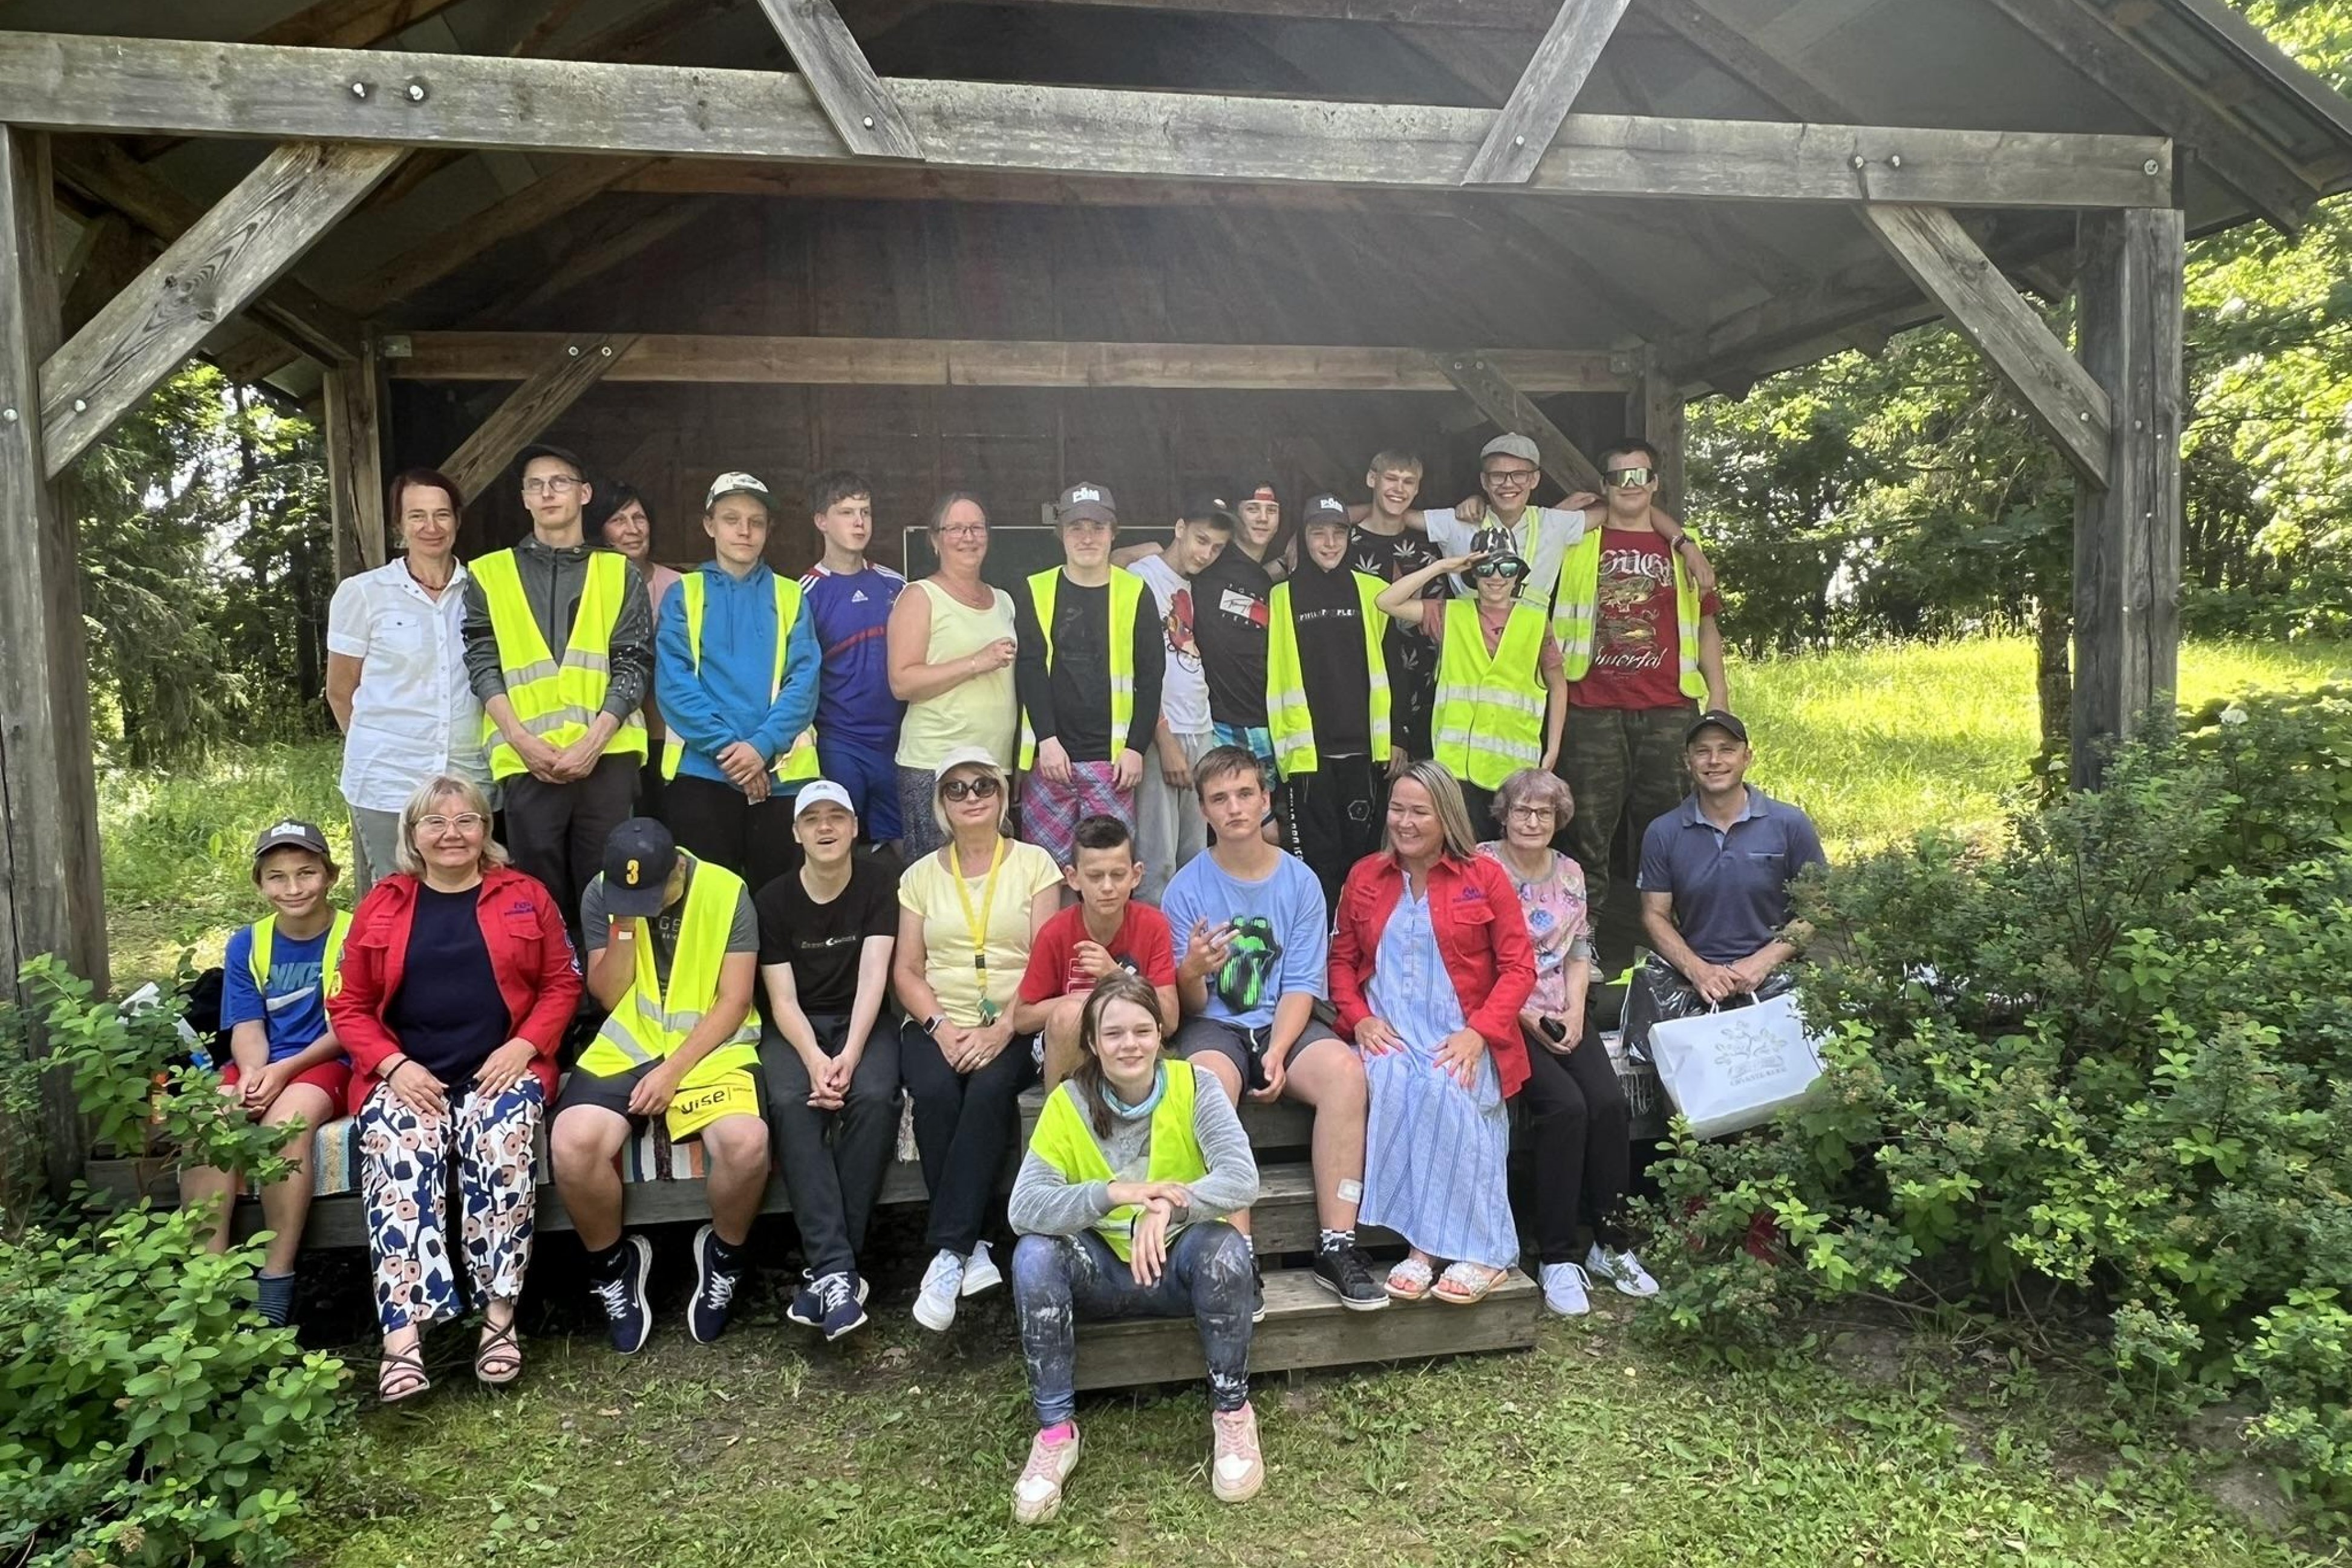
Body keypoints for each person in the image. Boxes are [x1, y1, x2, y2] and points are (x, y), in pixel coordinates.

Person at [329, 774, 580, 1402]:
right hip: (409, 1075)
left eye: (466, 820)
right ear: (412, 835)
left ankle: (498, 1318)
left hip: (501, 1068)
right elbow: (349, 1005)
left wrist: (525, 1047)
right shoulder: (383, 904)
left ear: (485, 830)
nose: (451, 834)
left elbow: (562, 984)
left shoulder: (524, 895)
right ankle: (403, 1338)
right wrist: (392, 1066)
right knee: (398, 1150)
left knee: (501, 1146)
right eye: (435, 822)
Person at [1007, 972, 1264, 1524]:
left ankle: (1232, 1413)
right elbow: (1024, 1208)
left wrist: (1169, 1205)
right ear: (1093, 1042)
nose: (1130, 1045)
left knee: (1227, 1249)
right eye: (1114, 1033)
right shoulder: (1068, 1103)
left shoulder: (1195, 1086)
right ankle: (1055, 1433)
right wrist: (1112, 1194)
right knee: (1034, 1253)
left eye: (1142, 1031)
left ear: (1160, 1035)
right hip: (1099, 1271)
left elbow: (1242, 1179)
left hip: (1177, 1264)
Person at [1158, 745, 1385, 1312]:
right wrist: (1192, 970)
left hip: (1286, 1018)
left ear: (1265, 800)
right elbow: (1190, 1005)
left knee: (1346, 1073)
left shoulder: (1300, 882)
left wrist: (1279, 1052)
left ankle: (1337, 1243)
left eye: (1245, 794)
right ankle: (1239, 1252)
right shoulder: (1185, 889)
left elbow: (1302, 983)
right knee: (1207, 1083)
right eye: (1219, 799)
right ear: (1204, 810)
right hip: (1216, 1024)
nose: (1234, 808)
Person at [552, 817, 768, 1354]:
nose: (644, 905)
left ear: (677, 868)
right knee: (572, 1144)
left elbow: (735, 1001)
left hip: (712, 1045)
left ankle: (724, 1255)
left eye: (652, 894)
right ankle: (614, 1265)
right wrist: (624, 921)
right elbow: (609, 995)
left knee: (746, 1144)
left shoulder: (726, 891)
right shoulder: (606, 891)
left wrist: (672, 1073)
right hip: (631, 1041)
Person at [1330, 760, 1534, 1305]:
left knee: (1450, 1086)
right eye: (1397, 809)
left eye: (1419, 812)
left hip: (1462, 1031)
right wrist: (1360, 1018)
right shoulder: (1365, 876)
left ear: (1446, 817)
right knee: (1395, 1084)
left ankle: (1485, 1252)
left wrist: (1478, 1033)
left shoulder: (1484, 877)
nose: (1405, 822)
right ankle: (1426, 1248)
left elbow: (1519, 968)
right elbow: (1341, 961)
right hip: (1390, 1029)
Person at [892, 746, 1064, 1331]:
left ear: (1003, 795)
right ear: (941, 803)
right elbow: (906, 972)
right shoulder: (918, 876)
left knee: (990, 1091)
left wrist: (1001, 1028)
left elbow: (1045, 961)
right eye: (956, 789)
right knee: (936, 1092)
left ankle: (949, 1251)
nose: (971, 798)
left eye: (983, 786)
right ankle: (974, 1247)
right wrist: (942, 1030)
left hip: (1016, 1020)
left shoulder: (1036, 864)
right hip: (937, 1022)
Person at [1477, 767, 1656, 1318]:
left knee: (1608, 1103)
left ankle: (1610, 1242)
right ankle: (1556, 1255)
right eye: (1522, 810)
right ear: (1503, 815)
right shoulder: (1480, 867)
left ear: (1559, 820)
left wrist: (1576, 1013)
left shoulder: (1571, 872)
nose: (1532, 821)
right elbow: (1473, 958)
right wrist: (1528, 1015)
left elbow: (1579, 951)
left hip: (1563, 1009)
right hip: (1504, 1011)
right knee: (1564, 1108)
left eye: (1544, 813)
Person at [462, 442, 653, 951]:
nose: (548, 493)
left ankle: (607, 993)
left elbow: (634, 663)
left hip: (606, 758)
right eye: (536, 485)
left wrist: (592, 742)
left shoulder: (620, 572)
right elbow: (482, 664)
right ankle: (551, 994)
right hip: (528, 761)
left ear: (584, 494)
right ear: (524, 498)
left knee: (609, 892)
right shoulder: (488, 574)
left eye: (560, 482)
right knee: (535, 897)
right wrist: (521, 740)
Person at [1555, 439, 1731, 939]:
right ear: (1604, 485)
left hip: (1668, 709)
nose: (1629, 486)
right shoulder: (1576, 540)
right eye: (1619, 477)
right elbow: (1522, 538)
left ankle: (1667, 939)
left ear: (1655, 482)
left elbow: (1706, 626)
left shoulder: (1685, 551)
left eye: (1639, 476)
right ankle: (1582, 939)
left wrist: (1719, 699)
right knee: (1585, 831)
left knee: (1671, 829)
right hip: (1590, 707)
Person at [178, 820, 353, 1327]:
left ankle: (276, 1277)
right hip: (262, 1059)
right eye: (277, 877)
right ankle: (208, 1280)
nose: (293, 888)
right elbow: (247, 1024)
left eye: (306, 873)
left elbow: (349, 1026)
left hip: (325, 1060)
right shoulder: (247, 943)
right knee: (207, 1122)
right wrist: (254, 1073)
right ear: (260, 884)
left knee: (285, 1126)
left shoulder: (352, 933)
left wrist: (284, 1072)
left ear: (330, 875)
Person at [754, 780, 901, 1341]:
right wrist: (816, 1059)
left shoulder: (879, 883)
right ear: (796, 833)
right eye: (812, 818)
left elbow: (873, 981)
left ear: (855, 827)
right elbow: (782, 1000)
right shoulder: (772, 900)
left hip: (862, 1019)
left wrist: (850, 1054)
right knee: (793, 1102)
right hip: (797, 1027)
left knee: (874, 1096)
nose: (825, 827)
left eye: (836, 816)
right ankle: (840, 1270)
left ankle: (829, 1271)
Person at [326, 468, 490, 894]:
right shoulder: (364, 593)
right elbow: (340, 691)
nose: (431, 527)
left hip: (470, 776)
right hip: (388, 781)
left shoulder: (485, 591)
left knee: (469, 896)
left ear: (457, 520)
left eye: (442, 515)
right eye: (417, 516)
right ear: (399, 524)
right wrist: (379, 748)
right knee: (396, 899)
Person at [655, 471, 820, 892]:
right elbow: (674, 686)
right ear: (709, 525)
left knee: (777, 901)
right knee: (708, 903)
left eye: (756, 522)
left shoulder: (791, 595)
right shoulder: (684, 593)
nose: (744, 531)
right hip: (702, 775)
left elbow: (803, 683)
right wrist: (736, 755)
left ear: (768, 530)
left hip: (780, 777)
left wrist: (760, 748)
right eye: (731, 519)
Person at [1374, 529, 1566, 835]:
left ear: (1518, 574)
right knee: (1461, 852)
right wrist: (1442, 567)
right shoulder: (1450, 614)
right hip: (1456, 770)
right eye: (1485, 568)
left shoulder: (1537, 622)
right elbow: (1386, 602)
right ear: (1473, 574)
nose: (1497, 577)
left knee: (1509, 853)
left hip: (1514, 770)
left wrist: (1553, 747)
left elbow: (1558, 684)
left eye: (1507, 568)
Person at [1636, 710, 1827, 1016]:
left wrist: (1761, 963)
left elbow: (1818, 909)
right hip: (1697, 980)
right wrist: (1698, 971)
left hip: (1778, 975)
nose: (1714, 761)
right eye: (1703, 752)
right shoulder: (1663, 832)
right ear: (1687, 761)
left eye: (1727, 750)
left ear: (1746, 758)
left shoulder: (1790, 824)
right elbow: (1654, 915)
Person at [1014, 483, 1164, 860]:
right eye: (1076, 527)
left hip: (1112, 763)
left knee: (1108, 871)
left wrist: (1136, 748)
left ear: (1113, 533)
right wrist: (1047, 740)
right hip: (1052, 760)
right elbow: (1030, 669)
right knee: (1047, 872)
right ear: (1061, 534)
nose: (1087, 537)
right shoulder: (1036, 589)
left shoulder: (1136, 592)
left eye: (1098, 527)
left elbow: (1151, 678)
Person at [1266, 492, 1393, 915]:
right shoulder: (1280, 596)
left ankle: (1359, 942)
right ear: (1302, 538)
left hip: (1363, 752)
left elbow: (1396, 665)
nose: (1330, 543)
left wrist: (1399, 736)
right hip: (1307, 754)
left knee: (1362, 863)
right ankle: (1318, 945)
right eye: (1318, 533)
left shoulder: (1373, 592)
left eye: (1339, 533)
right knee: (1316, 864)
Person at [889, 493, 1020, 862]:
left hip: (993, 765)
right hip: (935, 764)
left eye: (977, 528)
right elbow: (902, 682)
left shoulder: (1004, 601)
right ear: (935, 539)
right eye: (956, 528)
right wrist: (977, 662)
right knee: (938, 876)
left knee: (990, 877)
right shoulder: (920, 596)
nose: (968, 537)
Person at [1010, 814, 1178, 1091]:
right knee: (1069, 1016)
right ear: (1073, 878)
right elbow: (1022, 1018)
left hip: (1131, 1042)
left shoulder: (1153, 925)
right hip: (1070, 1046)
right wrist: (1085, 1001)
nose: (1108, 887)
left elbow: (1170, 1021)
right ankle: (1063, 1116)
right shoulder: (1056, 931)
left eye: (1118, 875)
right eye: (1095, 876)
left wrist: (1115, 976)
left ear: (1136, 875)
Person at [1123, 495, 1232, 902]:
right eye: (1201, 540)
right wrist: (1163, 737)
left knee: (1194, 855)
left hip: (1200, 727)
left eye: (1217, 548)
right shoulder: (1143, 575)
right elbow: (1136, 668)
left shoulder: (1198, 584)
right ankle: (1155, 941)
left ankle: (1189, 940)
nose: (1206, 554)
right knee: (1157, 860)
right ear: (1180, 528)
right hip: (1163, 730)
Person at [799, 470, 907, 846]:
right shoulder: (803, 593)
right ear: (821, 521)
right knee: (841, 845)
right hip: (839, 742)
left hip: (897, 742)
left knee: (900, 851)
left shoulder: (896, 585)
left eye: (866, 512)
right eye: (846, 512)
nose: (859, 522)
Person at [1345, 449, 1446, 785]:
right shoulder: (1344, 544)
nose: (1399, 489)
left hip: (1425, 689)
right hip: (1361, 686)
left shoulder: (1432, 547)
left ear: (1417, 489)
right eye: (1391, 479)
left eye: (1408, 482)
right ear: (1371, 479)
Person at [1180, 481, 1283, 788]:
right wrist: (1145, 550)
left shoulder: (1268, 579)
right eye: (1253, 509)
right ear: (1237, 516)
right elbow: (1171, 555)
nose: (1263, 518)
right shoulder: (1209, 561)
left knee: (1261, 813)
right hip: (1217, 723)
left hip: (1266, 722)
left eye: (1272, 510)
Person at [598, 482, 681, 822]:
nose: (632, 529)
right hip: (610, 735)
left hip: (666, 733)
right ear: (600, 530)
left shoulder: (680, 586)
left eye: (639, 518)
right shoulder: (592, 588)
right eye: (618, 520)